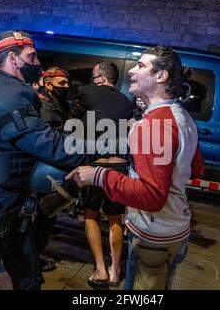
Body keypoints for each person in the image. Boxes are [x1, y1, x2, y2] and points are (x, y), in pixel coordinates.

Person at [0, 30, 106, 290]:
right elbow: (46, 143)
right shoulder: (4, 93)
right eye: (31, 56)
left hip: (8, 199)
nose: (37, 63)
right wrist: (108, 146)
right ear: (12, 58)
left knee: (26, 273)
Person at [67, 46, 205, 290]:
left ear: (161, 76)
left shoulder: (153, 127)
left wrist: (99, 175)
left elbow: (152, 197)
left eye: (141, 65)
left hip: (154, 237)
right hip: (176, 231)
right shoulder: (180, 117)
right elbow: (196, 170)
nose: (131, 70)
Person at [75, 61, 134, 287]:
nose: (92, 79)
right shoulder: (126, 102)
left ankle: (100, 269)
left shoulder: (87, 93)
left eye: (93, 75)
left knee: (91, 215)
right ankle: (115, 271)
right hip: (119, 167)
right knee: (115, 218)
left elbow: (73, 122)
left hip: (95, 167)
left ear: (100, 78)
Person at [31, 67, 72, 272]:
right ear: (47, 83)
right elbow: (50, 142)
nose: (66, 87)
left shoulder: (56, 103)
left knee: (45, 216)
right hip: (42, 168)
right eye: (61, 83)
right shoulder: (45, 106)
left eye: (67, 83)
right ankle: (31, 261)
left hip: (48, 166)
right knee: (42, 218)